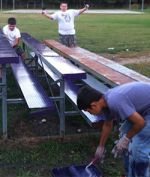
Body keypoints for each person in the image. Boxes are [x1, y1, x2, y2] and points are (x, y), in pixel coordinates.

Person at [77, 82, 150, 177]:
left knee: (137, 148)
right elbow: (107, 125)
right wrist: (101, 147)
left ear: (94, 105)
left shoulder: (114, 102)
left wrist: (126, 139)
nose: (91, 113)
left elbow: (140, 123)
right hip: (143, 110)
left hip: (146, 112)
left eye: (89, 111)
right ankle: (129, 173)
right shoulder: (106, 103)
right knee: (123, 135)